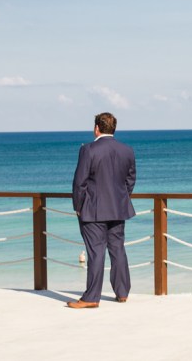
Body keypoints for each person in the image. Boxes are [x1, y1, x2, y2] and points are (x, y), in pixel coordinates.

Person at [67, 112, 137, 309]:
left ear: (97, 128)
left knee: (96, 252)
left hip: (93, 210)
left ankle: (91, 297)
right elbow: (130, 179)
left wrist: (78, 207)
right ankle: (122, 293)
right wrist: (121, 198)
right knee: (118, 250)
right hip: (118, 208)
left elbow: (79, 182)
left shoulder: (88, 150)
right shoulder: (127, 150)